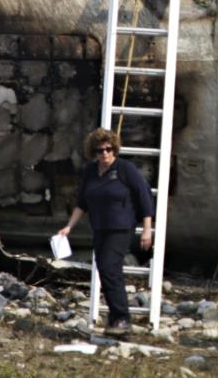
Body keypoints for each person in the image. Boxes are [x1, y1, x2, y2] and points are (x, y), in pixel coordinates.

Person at [57, 127, 153, 331]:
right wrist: (69, 227)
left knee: (110, 268)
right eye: (100, 150)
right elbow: (82, 203)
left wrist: (147, 229)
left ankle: (122, 318)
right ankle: (115, 318)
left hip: (121, 228)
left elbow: (144, 196)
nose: (105, 154)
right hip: (100, 228)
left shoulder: (125, 169)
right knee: (105, 270)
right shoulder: (91, 172)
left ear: (115, 150)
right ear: (94, 152)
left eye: (109, 149)